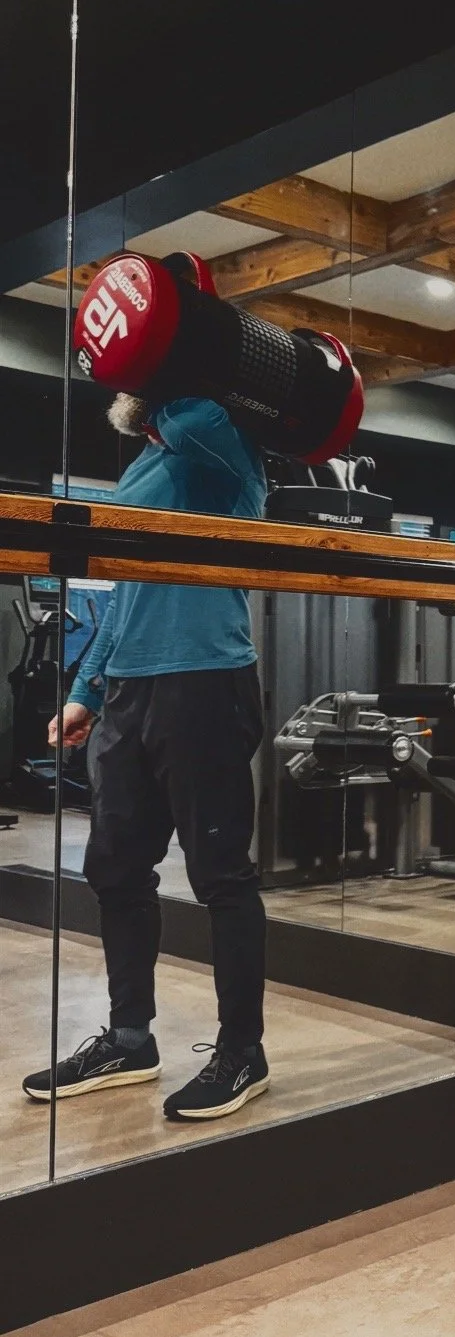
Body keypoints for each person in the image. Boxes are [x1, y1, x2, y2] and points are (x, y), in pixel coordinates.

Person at [22, 393, 272, 1123]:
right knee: (115, 870)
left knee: (221, 875)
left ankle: (243, 1052)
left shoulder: (220, 450)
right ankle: (131, 1039)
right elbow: (126, 596)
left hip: (206, 680)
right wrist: (86, 691)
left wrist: (167, 373)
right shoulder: (142, 470)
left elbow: (201, 418)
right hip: (128, 691)